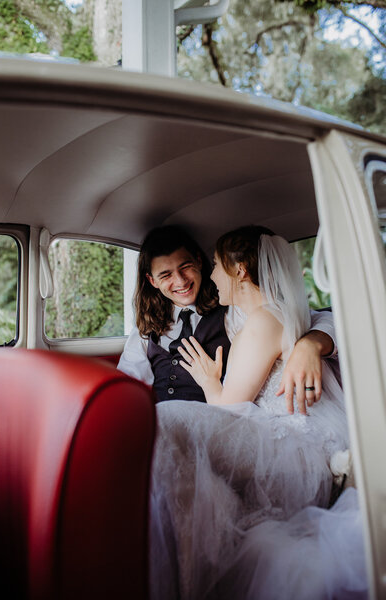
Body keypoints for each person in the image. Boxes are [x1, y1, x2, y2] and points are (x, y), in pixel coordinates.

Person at [148, 225, 366, 600]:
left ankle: (191, 573)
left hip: (292, 444)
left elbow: (230, 408)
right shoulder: (247, 317)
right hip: (271, 431)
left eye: (215, 265)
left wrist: (208, 382)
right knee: (170, 429)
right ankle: (200, 549)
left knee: (168, 421)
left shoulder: (266, 319)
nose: (214, 275)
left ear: (240, 272)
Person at [118, 225, 337, 414]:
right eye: (166, 275)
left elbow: (311, 321)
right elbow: (127, 385)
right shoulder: (146, 329)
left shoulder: (234, 307)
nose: (180, 281)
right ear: (152, 281)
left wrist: (311, 344)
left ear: (198, 261)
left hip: (216, 424)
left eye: (185, 267)